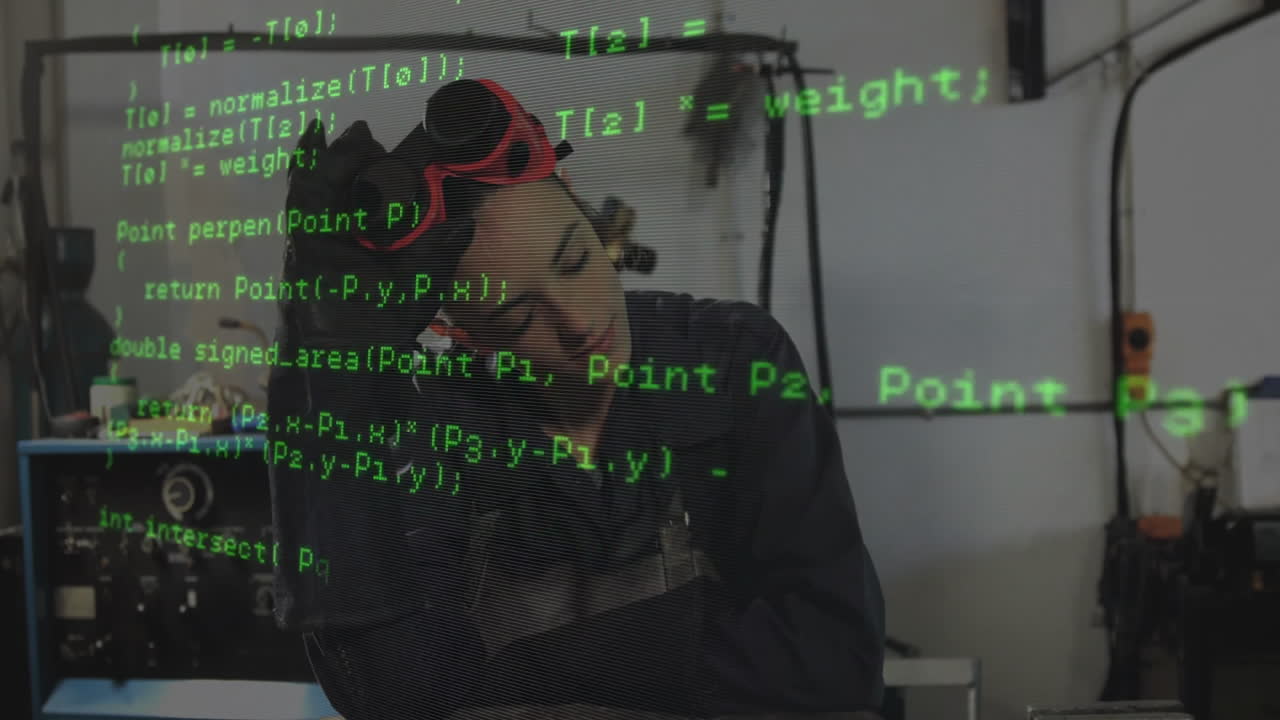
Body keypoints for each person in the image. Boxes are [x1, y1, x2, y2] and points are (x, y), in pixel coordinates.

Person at [267, 78, 886, 720]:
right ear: (458, 331)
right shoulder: (432, 429)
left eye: (575, 260)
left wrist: (522, 673)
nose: (578, 321)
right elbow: (401, 697)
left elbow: (836, 658)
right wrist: (324, 383)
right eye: (518, 314)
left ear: (591, 223)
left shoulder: (730, 359)